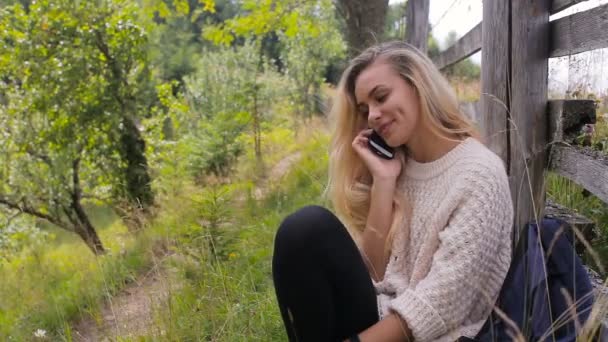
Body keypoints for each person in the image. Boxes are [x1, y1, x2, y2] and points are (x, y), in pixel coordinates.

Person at [271, 41, 514, 342]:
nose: (372, 115)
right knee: (304, 232)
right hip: (383, 315)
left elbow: (441, 305)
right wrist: (384, 182)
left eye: (381, 97)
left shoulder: (480, 174)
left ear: (417, 86)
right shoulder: (400, 165)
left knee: (307, 227)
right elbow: (374, 273)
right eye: (364, 109)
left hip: (435, 334)